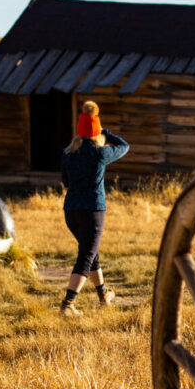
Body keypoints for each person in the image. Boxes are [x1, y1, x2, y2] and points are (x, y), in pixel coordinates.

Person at [59, 101, 129, 317]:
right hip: (93, 211)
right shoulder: (99, 153)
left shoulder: (68, 154)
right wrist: (104, 131)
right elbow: (124, 146)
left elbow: (66, 182)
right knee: (86, 256)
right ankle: (68, 304)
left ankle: (104, 295)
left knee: (91, 253)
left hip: (71, 211)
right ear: (95, 131)